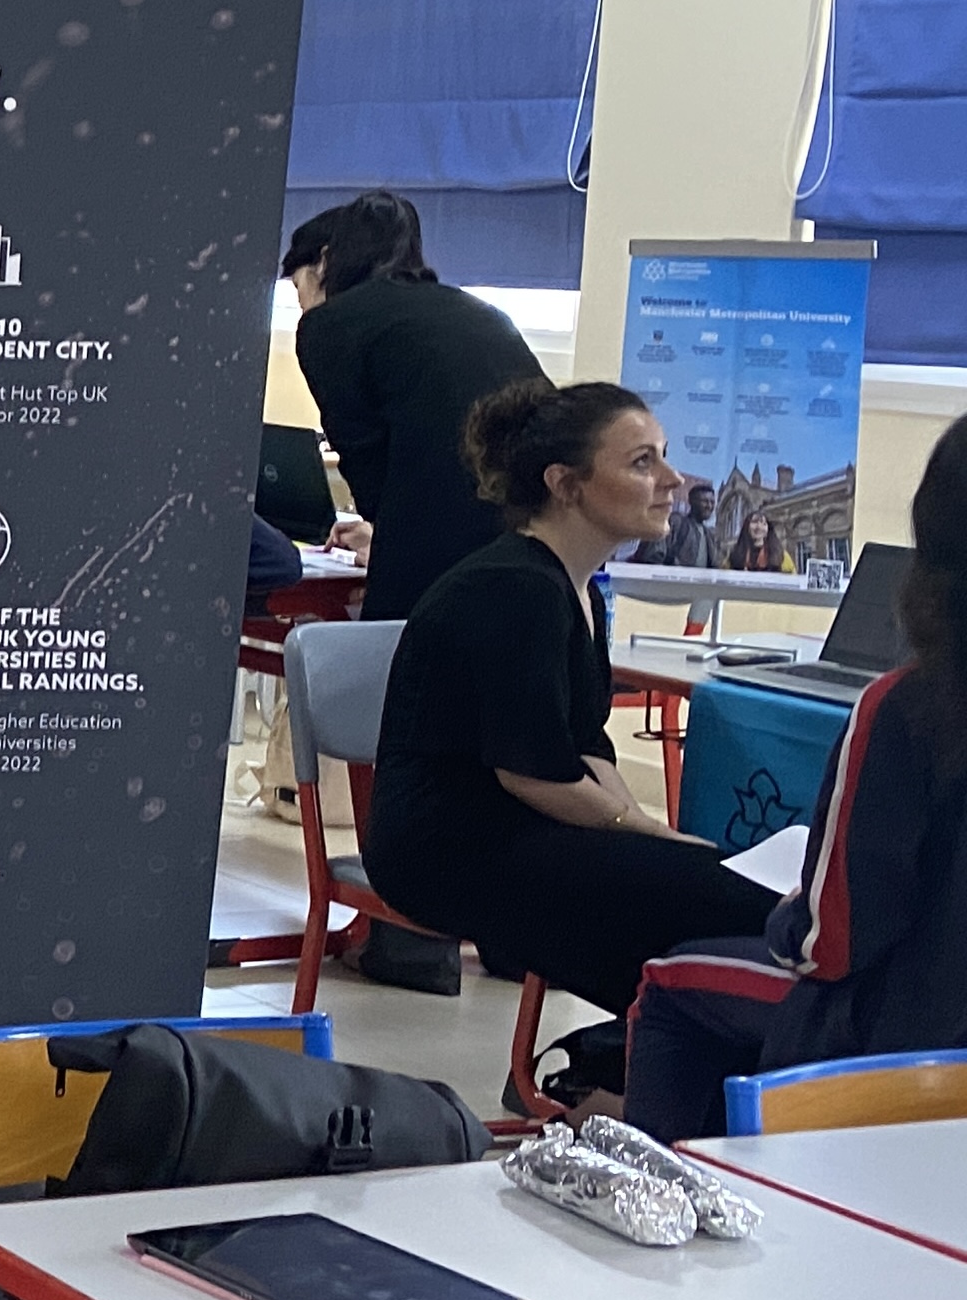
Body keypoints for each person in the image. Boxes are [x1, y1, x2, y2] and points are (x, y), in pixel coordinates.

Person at [363, 380, 774, 1083]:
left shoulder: (578, 589)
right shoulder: (515, 587)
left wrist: (650, 835)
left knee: (721, 893)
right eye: (643, 462)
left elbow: (587, 748)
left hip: (516, 826)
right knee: (721, 902)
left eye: (663, 456)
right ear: (565, 484)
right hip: (447, 846)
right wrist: (649, 836)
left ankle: (646, 1067)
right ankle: (640, 1073)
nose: (673, 480)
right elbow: (535, 774)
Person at [626, 417, 967, 1139]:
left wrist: (790, 916)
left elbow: (831, 946)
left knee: (669, 984)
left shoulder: (907, 708)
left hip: (907, 1050)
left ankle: (674, 1185)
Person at [285, 193, 537, 621]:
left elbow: (365, 459)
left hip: (442, 550)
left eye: (298, 288)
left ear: (325, 261)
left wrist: (388, 542)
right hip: (534, 532)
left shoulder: (332, 324)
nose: (302, 305)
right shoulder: (473, 310)